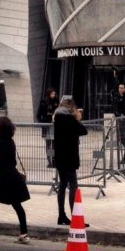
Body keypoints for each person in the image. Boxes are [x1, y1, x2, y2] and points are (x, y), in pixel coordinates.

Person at [52, 95, 87, 225]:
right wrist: (77, 117)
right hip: (69, 156)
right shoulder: (69, 119)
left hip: (60, 156)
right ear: (71, 107)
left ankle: (61, 215)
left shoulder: (57, 117)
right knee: (73, 185)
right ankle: (75, 217)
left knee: (62, 185)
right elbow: (83, 131)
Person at [36, 87, 59, 168]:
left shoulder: (57, 101)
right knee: (49, 144)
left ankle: (54, 160)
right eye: (52, 94)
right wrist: (43, 123)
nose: (53, 95)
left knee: (54, 144)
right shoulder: (44, 102)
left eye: (54, 94)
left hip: (55, 125)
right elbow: (38, 114)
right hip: (47, 126)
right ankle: (50, 161)